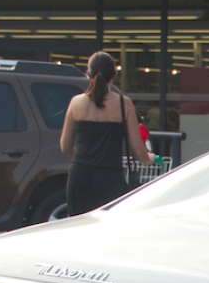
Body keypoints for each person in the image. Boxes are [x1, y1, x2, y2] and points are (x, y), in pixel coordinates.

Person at [60, 51, 153, 216]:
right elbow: (137, 150)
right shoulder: (124, 104)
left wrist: (85, 158)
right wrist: (150, 159)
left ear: (88, 73)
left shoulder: (76, 103)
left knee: (79, 227)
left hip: (79, 175)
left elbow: (65, 146)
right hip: (110, 177)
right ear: (115, 74)